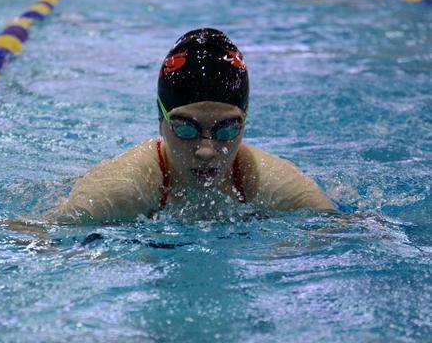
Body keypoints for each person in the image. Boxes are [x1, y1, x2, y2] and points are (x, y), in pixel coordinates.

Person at [32, 28, 335, 225]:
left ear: (245, 121)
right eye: (186, 129)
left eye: (226, 130)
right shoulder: (125, 187)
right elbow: (33, 233)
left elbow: (341, 229)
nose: (206, 150)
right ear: (160, 121)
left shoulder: (266, 180)